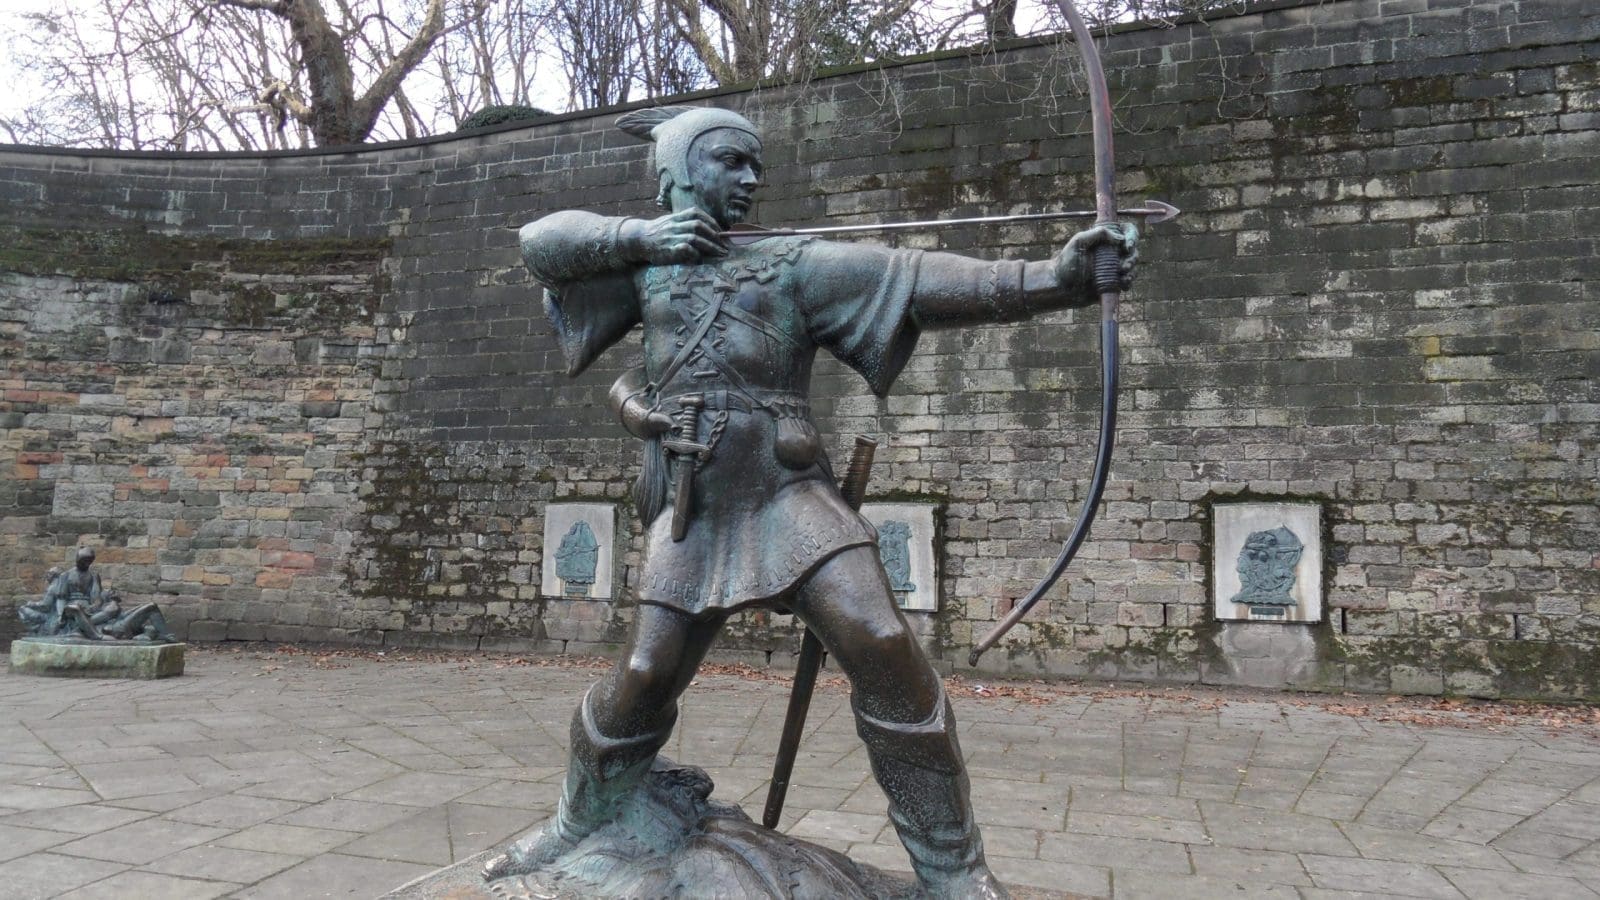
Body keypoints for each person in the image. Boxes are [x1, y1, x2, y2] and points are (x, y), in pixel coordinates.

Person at [487, 105, 1137, 899]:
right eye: (730, 160)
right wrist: (637, 240)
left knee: (880, 641)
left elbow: (917, 279)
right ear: (680, 169)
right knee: (645, 673)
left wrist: (1056, 280)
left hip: (790, 494)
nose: (751, 178)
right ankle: (573, 823)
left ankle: (955, 872)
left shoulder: (790, 262)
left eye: (754, 164)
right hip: (696, 504)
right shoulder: (643, 264)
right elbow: (538, 244)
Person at [17, 547, 174, 642]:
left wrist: (97, 605)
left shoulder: (93, 576)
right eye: (82, 560)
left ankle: (88, 625)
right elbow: (61, 598)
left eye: (87, 561)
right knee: (74, 608)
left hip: (91, 611)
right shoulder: (65, 576)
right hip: (71, 610)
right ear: (77, 559)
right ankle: (92, 633)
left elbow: (97, 597)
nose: (84, 563)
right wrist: (60, 616)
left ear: (89, 562)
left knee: (112, 608)